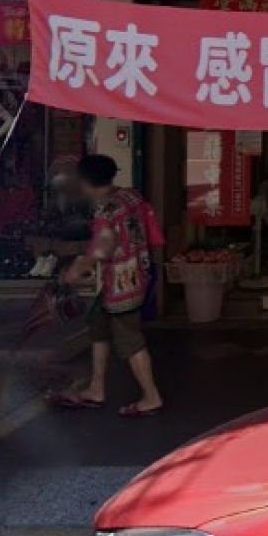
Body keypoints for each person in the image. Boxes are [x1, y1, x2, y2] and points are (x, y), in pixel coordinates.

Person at [51, 154, 165, 415]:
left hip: (123, 284)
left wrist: (74, 271)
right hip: (137, 272)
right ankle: (96, 388)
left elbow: (102, 248)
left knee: (130, 340)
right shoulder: (130, 196)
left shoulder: (106, 211)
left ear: (85, 182)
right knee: (98, 326)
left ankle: (151, 397)